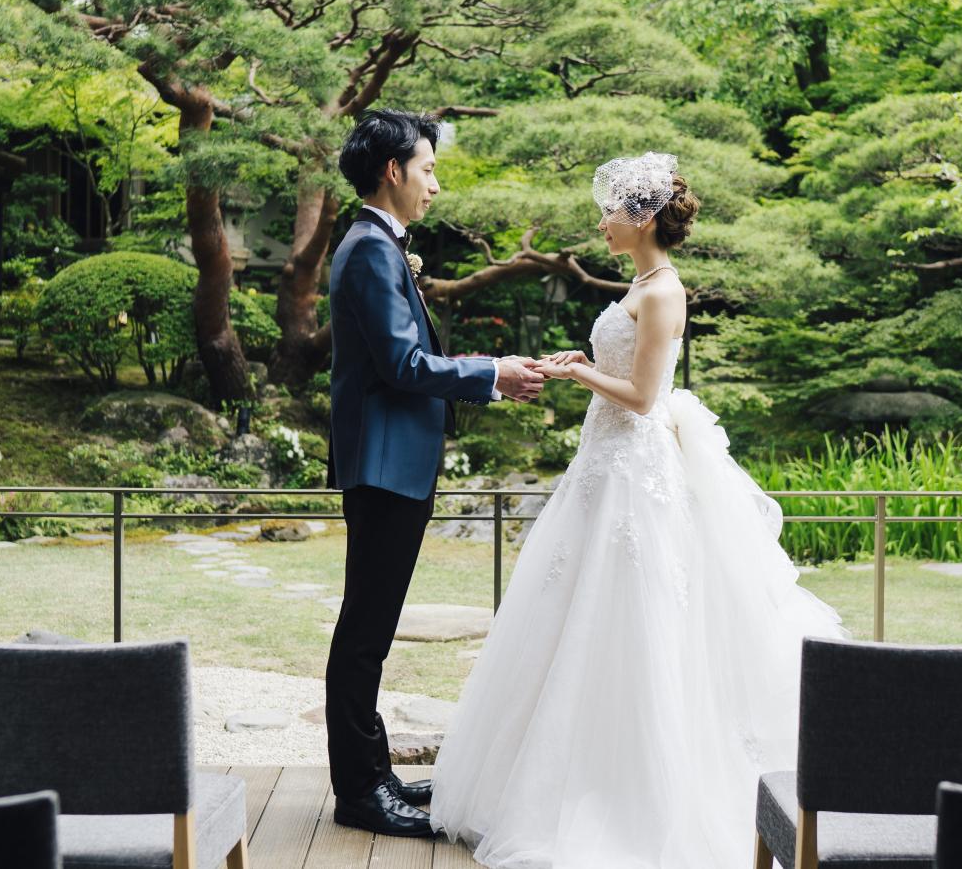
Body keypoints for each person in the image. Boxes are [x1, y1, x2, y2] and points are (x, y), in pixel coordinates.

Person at [429, 151, 848, 867]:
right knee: (570, 612)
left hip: (634, 473)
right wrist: (580, 364)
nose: (601, 223)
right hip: (602, 467)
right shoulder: (640, 282)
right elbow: (619, 372)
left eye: (613, 212)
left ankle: (630, 794)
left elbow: (645, 397)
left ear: (644, 218)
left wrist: (580, 373)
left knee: (634, 614)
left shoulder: (663, 291)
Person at [326, 108, 546, 837]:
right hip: (385, 466)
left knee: (372, 630)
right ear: (393, 171)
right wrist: (493, 371)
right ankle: (361, 794)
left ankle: (374, 774)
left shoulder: (381, 246)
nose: (436, 185)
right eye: (427, 169)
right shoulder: (369, 249)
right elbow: (401, 364)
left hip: (398, 465)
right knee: (365, 632)